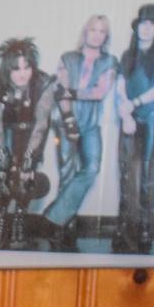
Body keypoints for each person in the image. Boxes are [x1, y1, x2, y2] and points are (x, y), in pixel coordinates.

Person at [41, 13, 116, 245]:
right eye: (93, 29)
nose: (97, 34)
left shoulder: (110, 61)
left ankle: (55, 216)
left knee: (92, 167)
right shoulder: (68, 58)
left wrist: (73, 93)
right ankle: (64, 227)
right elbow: (60, 90)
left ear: (106, 36)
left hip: (91, 123)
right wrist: (69, 119)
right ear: (85, 32)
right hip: (66, 119)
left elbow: (100, 92)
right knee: (67, 171)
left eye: (102, 31)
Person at [114, 2, 154, 253]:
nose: (146, 28)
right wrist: (124, 110)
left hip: (153, 117)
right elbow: (120, 86)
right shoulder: (127, 55)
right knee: (126, 171)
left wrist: (135, 103)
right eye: (143, 23)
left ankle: (145, 227)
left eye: (152, 24)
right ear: (137, 26)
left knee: (148, 173)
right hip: (129, 117)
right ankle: (124, 225)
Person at [0, 37, 58, 250]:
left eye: (27, 67)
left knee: (26, 175)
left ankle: (18, 223)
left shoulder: (44, 82)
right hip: (7, 130)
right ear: (7, 70)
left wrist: (29, 158)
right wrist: (1, 151)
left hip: (33, 132)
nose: (22, 73)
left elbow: (42, 123)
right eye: (16, 69)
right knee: (6, 172)